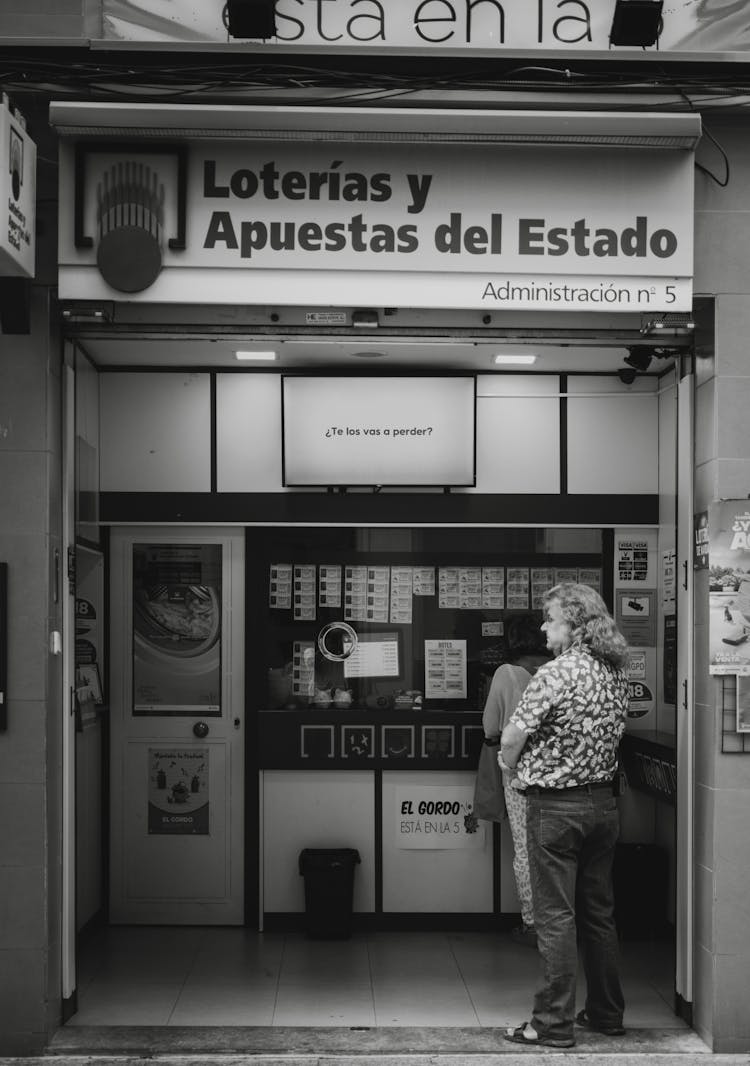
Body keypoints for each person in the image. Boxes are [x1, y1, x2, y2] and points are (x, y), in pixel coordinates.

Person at [499, 582, 630, 1049]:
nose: (542, 626)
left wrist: (507, 764)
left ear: (573, 625)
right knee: (599, 915)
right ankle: (606, 1013)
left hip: (555, 810)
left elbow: (512, 737)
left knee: (556, 917)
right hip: (604, 807)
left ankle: (552, 1024)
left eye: (550, 619)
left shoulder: (555, 674)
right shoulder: (614, 672)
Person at [482, 614, 549, 947]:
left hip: (520, 773)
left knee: (525, 849)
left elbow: (491, 727)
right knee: (555, 851)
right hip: (559, 776)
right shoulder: (559, 670)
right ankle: (561, 921)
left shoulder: (506, 674)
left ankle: (532, 922)